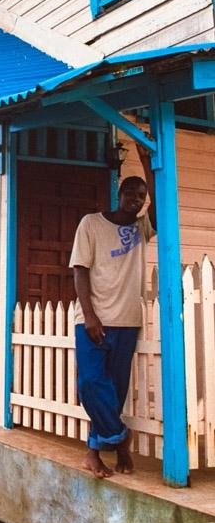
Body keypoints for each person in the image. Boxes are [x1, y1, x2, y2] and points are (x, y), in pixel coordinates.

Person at [70, 144, 156, 480]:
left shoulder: (141, 230)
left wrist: (149, 164)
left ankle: (94, 453)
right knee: (91, 383)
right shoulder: (91, 224)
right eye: (131, 194)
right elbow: (79, 269)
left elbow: (161, 206)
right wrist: (90, 315)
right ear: (119, 194)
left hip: (128, 320)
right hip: (93, 319)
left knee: (114, 391)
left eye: (141, 196)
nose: (136, 201)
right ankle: (121, 442)